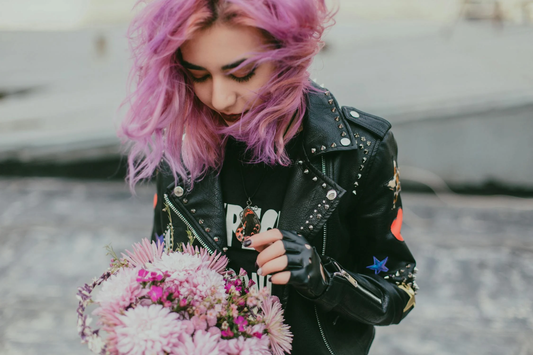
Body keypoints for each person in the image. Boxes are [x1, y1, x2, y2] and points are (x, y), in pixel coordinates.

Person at [119, 0, 418, 354]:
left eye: (242, 73)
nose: (219, 97)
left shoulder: (359, 151)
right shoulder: (182, 143)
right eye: (198, 75)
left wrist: (325, 279)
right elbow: (158, 269)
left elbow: (398, 291)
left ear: (287, 54)